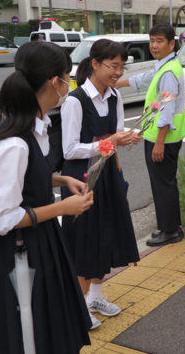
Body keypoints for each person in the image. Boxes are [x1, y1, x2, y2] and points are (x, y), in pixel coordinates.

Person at [0, 41, 94, 353]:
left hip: (40, 243)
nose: (68, 87)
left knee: (49, 331)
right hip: (20, 255)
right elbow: (2, 219)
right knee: (29, 337)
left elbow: (29, 177)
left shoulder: (37, 128)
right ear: (54, 83)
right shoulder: (15, 144)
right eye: (67, 79)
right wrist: (63, 206)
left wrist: (61, 178)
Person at [60, 39, 140, 330]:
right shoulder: (74, 100)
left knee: (105, 236)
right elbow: (69, 150)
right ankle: (78, 308)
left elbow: (115, 137)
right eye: (112, 66)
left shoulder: (115, 96)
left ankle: (94, 297)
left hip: (106, 174)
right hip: (80, 178)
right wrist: (110, 143)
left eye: (121, 66)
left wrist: (123, 143)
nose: (117, 72)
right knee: (84, 242)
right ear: (94, 64)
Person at [116, 23, 185, 247]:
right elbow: (144, 78)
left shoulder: (168, 72)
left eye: (159, 41)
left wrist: (159, 143)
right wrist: (116, 83)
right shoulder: (165, 66)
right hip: (163, 137)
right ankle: (169, 226)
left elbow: (167, 109)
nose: (154, 45)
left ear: (171, 43)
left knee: (163, 184)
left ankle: (171, 231)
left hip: (163, 139)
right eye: (152, 40)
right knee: (163, 183)